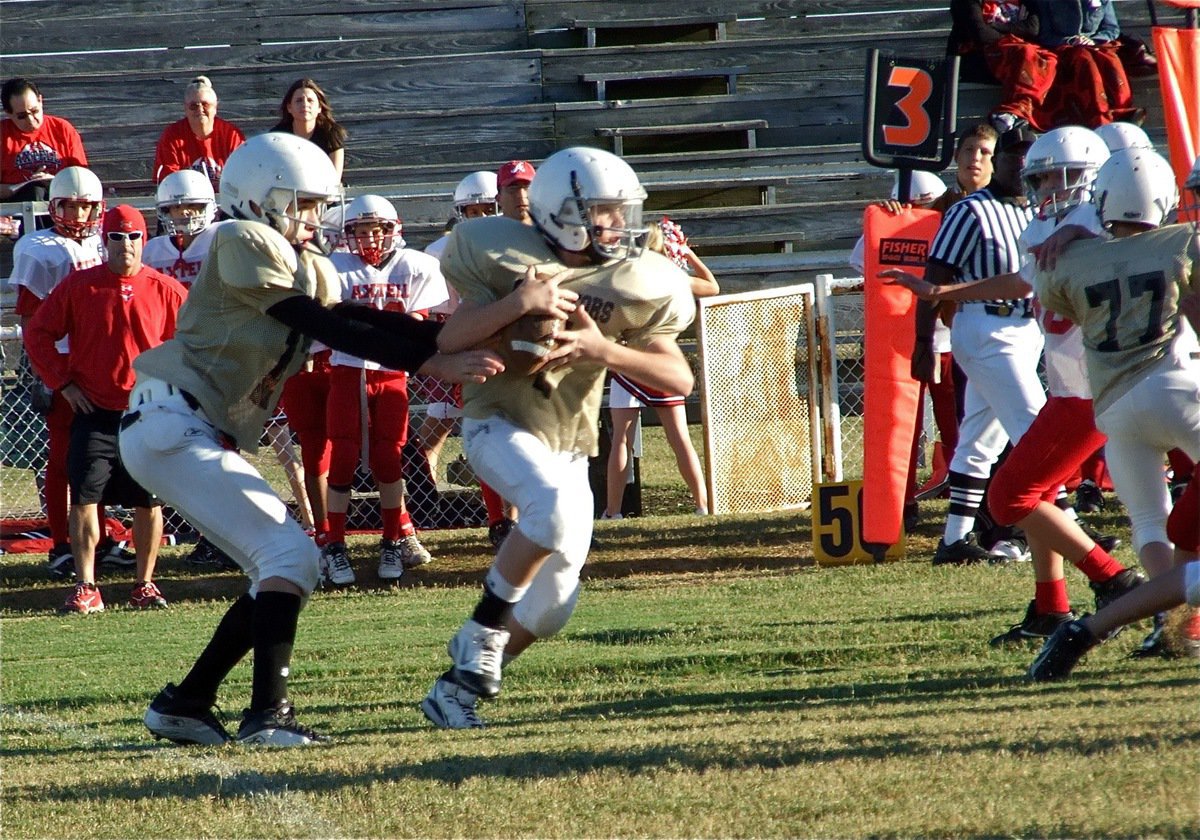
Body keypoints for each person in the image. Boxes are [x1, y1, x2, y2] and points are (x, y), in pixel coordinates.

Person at [120, 132, 502, 747]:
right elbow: (319, 324)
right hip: (170, 419)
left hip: (185, 426)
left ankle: (186, 703)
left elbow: (359, 319)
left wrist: (448, 338)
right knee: (290, 557)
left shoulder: (303, 260)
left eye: (318, 205)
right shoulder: (239, 237)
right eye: (300, 203)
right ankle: (266, 716)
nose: (313, 217)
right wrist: (430, 363)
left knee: (278, 565)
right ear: (257, 198)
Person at [420, 146, 696, 729]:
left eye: (623, 211)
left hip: (570, 444)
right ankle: (480, 631)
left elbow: (679, 377)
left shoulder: (632, 279)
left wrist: (605, 350)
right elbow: (450, 339)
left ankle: (455, 691)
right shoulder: (498, 254)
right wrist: (518, 303)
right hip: (497, 421)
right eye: (606, 211)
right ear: (563, 212)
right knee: (548, 513)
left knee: (550, 609)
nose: (620, 224)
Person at [887, 126, 1144, 642]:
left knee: (1011, 499)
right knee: (1034, 488)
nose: (1049, 186)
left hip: (1097, 388)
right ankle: (1052, 604)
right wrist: (945, 290)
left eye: (1059, 175)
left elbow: (1136, 243)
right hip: (1071, 387)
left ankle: (1115, 581)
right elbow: (1025, 279)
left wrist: (1082, 232)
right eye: (1041, 176)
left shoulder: (1103, 220)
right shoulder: (1051, 223)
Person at [1032, 147, 1200, 658]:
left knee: (1150, 521)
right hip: (1177, 387)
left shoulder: (1071, 257)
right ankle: (1185, 624)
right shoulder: (1185, 242)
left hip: (1115, 405)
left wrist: (1080, 235)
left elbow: (1061, 304)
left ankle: (1179, 625)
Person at [24, 205, 187, 613]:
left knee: (148, 501)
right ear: (104, 240)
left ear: (144, 241)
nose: (125, 245)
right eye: (117, 237)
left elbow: (195, 343)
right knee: (84, 497)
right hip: (94, 410)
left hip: (145, 412)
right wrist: (64, 382)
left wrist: (175, 391)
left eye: (133, 237)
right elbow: (39, 333)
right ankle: (86, 585)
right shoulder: (80, 287)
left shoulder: (165, 288)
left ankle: (144, 584)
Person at [912, 125, 1043, 565]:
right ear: (997, 161)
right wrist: (923, 341)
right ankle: (1067, 528)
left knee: (978, 441)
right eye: (1012, 155)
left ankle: (955, 540)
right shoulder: (970, 212)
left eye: (1028, 155)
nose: (1021, 164)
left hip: (1025, 329)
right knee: (1039, 428)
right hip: (985, 326)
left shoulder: (1038, 213)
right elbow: (935, 277)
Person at [322, 194, 449, 583]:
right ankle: (335, 545)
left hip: (391, 372)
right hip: (347, 369)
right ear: (348, 234)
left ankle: (393, 541)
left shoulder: (416, 266)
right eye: (360, 231)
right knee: (341, 456)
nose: (369, 239)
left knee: (388, 459)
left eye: (376, 230)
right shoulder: (335, 267)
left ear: (394, 230)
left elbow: (421, 319)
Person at [11, 166, 106, 577]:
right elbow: (32, 321)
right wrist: (47, 372)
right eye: (72, 206)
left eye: (87, 207)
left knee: (101, 459)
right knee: (62, 458)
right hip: (64, 364)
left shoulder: (108, 242)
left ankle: (101, 539)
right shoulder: (39, 247)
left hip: (101, 362)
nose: (81, 216)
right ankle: (63, 543)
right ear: (55, 206)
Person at [604, 217, 717, 519]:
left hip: (629, 362)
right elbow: (712, 286)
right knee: (679, 439)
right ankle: (702, 506)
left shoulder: (627, 277)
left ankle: (612, 512)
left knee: (621, 441)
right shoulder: (676, 278)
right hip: (661, 363)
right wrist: (689, 254)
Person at [1025, 0, 1142, 129]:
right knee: (1085, 61)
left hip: (1095, 44)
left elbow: (1112, 29)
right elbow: (1045, 35)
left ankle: (1123, 110)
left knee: (1110, 60)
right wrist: (1071, 41)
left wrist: (1093, 40)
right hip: (1064, 47)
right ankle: (1098, 115)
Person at [1, 78, 88, 202]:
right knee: (36, 191)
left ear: (40, 101)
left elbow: (82, 181)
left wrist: (55, 181)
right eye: (22, 116)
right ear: (8, 113)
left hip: (61, 203)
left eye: (35, 111)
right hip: (15, 206)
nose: (31, 120)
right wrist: (23, 186)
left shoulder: (62, 129)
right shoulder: (3, 135)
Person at [152, 75, 245, 191]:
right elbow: (169, 182)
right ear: (185, 109)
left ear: (215, 107)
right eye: (193, 106)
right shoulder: (171, 136)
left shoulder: (231, 135)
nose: (200, 109)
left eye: (205, 104)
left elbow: (243, 175)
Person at [271, 78, 347, 182]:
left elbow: (334, 180)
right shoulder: (276, 137)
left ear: (319, 107)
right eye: (299, 100)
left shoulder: (332, 134)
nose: (305, 104)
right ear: (289, 108)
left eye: (310, 100)